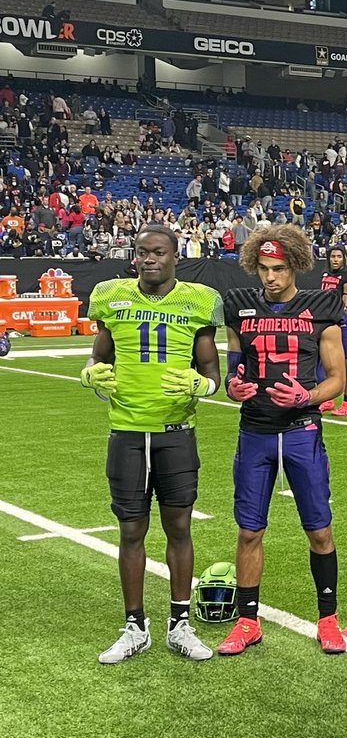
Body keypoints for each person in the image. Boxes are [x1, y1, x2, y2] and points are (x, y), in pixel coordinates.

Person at [82, 223, 223, 664]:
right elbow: (99, 356)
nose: (149, 259)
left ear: (174, 256)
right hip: (126, 432)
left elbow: (212, 370)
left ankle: (179, 623)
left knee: (179, 528)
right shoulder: (112, 296)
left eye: (158, 252)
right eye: (142, 252)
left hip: (176, 434)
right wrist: (91, 374)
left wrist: (202, 386)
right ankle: (135, 626)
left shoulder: (198, 300)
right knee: (130, 530)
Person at [217, 225, 347, 657]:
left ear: (296, 266)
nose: (270, 277)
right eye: (264, 268)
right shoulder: (240, 307)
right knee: (249, 531)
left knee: (320, 531)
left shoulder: (320, 307)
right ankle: (247, 622)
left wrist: (306, 396)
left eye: (279, 268)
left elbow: (338, 380)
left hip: (300, 431)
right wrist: (233, 387)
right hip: (255, 430)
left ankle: (328, 619)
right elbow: (235, 371)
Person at [318, 243, 347, 415]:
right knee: (326, 362)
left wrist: (334, 318)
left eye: (339, 256)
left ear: (344, 258)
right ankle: (328, 399)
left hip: (345, 324)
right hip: (329, 323)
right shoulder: (327, 274)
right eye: (332, 256)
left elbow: (346, 306)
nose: (335, 260)